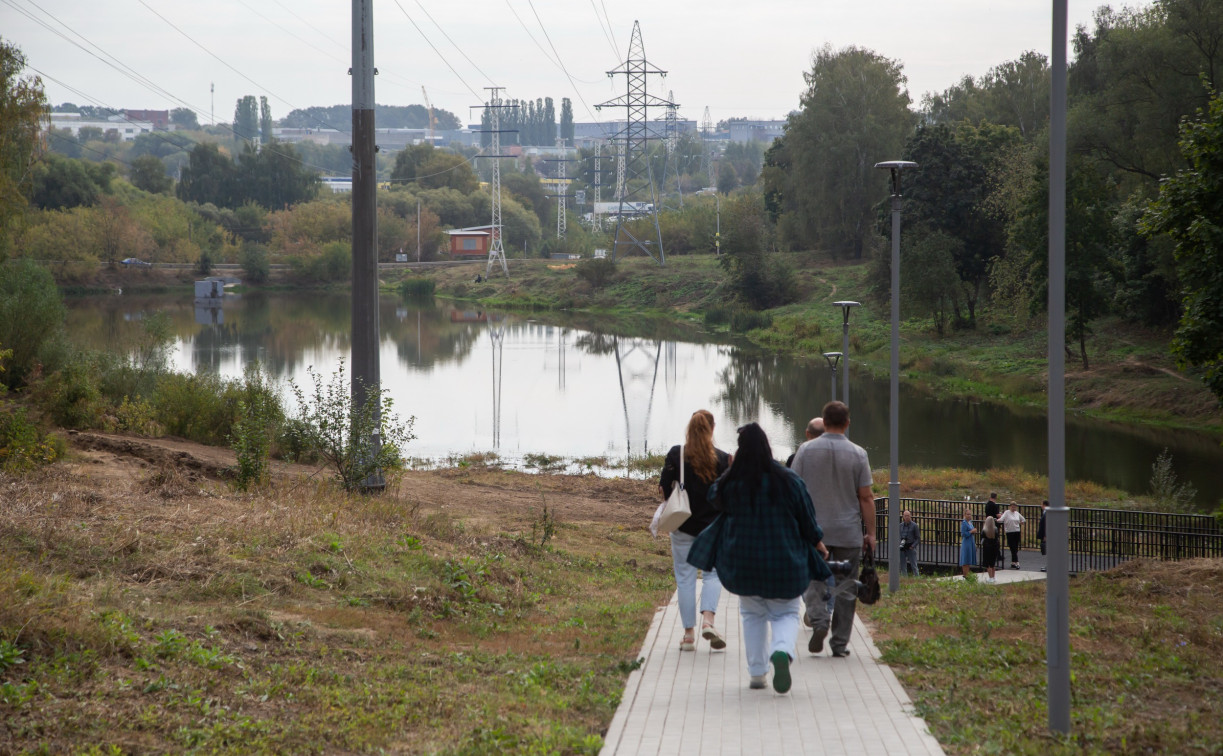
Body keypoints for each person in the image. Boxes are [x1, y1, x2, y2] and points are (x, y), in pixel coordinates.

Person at [687, 423, 832, 694]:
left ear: (740, 452)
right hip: (785, 561)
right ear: (768, 447)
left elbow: (713, 497)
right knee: (786, 613)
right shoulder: (789, 480)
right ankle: (781, 651)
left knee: (751, 614)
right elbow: (807, 521)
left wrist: (730, 470)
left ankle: (756, 674)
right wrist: (819, 544)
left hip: (743, 563)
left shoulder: (734, 482)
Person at [791, 400, 875, 658]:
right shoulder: (859, 454)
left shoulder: (805, 451)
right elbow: (866, 497)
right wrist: (870, 534)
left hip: (814, 533)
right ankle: (839, 644)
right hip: (848, 532)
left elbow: (794, 490)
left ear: (824, 423)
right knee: (846, 586)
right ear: (847, 424)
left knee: (813, 579)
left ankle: (818, 620)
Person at [659, 409, 731, 652]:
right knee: (712, 574)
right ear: (712, 429)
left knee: (685, 578)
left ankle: (688, 635)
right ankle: (708, 621)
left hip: (682, 526)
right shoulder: (723, 459)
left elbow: (664, 490)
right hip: (712, 529)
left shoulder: (676, 455)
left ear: (689, 428)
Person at [786, 417, 834, 619]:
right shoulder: (838, 457)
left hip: (806, 523)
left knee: (807, 565)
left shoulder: (796, 458)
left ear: (807, 434)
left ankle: (813, 607)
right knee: (829, 566)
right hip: (835, 521)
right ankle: (827, 609)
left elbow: (790, 491)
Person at [998, 501, 1026, 569]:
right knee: (1012, 547)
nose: (1013, 508)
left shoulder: (1017, 513)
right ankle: (1017, 562)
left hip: (1017, 531)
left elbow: (1023, 519)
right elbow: (1001, 519)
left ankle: (1013, 562)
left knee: (1015, 547)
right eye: (1012, 507)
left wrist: (1021, 522)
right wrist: (996, 520)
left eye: (1015, 507)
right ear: (1010, 506)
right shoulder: (1007, 512)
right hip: (1010, 532)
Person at [980, 500, 1001, 583]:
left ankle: (990, 577)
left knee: (988, 563)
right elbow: (997, 537)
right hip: (994, 546)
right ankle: (994, 577)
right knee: (993, 563)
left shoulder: (984, 530)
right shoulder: (995, 530)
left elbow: (982, 539)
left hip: (987, 547)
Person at [899, 509, 920, 577]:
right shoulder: (900, 525)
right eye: (905, 516)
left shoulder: (914, 526)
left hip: (910, 546)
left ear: (910, 516)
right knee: (902, 565)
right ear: (903, 517)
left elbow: (918, 538)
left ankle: (917, 578)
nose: (907, 517)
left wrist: (913, 546)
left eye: (908, 516)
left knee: (914, 565)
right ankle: (905, 579)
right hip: (902, 546)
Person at [959, 509, 977, 579]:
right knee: (965, 558)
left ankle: (968, 574)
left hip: (971, 541)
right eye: (968, 514)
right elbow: (963, 534)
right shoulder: (964, 523)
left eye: (970, 514)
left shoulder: (970, 522)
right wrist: (971, 532)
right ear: (965, 515)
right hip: (966, 542)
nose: (969, 516)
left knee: (969, 558)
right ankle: (965, 574)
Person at [1038, 500, 1049, 572]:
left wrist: (1045, 535)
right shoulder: (1045, 513)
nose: (1041, 506)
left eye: (1041, 504)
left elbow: (1046, 525)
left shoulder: (1047, 513)